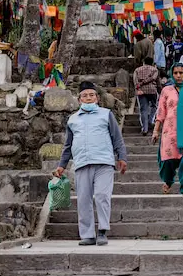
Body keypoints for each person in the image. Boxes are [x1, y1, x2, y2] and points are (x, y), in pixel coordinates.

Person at [53, 82, 128, 246]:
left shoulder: (106, 114)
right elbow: (68, 145)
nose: (88, 98)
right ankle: (87, 234)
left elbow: (117, 138)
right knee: (83, 200)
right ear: (79, 100)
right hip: (82, 163)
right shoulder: (72, 120)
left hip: (104, 162)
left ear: (97, 98)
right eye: (84, 96)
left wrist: (122, 157)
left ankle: (102, 231)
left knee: (102, 196)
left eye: (91, 95)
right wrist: (62, 165)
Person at [152, 63, 183, 195]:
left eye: (181, 73)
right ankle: (168, 181)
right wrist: (156, 130)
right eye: (176, 73)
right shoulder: (166, 90)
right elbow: (161, 112)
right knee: (169, 159)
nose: (179, 76)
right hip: (170, 131)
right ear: (172, 74)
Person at [133, 57, 160, 136]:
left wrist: (138, 88)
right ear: (152, 63)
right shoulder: (155, 70)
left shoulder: (137, 70)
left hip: (141, 91)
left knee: (143, 109)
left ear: (143, 62)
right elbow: (156, 80)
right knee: (154, 106)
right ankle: (150, 120)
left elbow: (135, 81)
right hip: (152, 90)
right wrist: (160, 90)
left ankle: (145, 128)